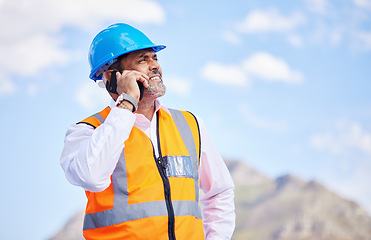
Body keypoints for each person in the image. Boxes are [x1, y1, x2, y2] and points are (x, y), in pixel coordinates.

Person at [60, 23, 235, 240]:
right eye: (143, 59)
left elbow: (219, 193)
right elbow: (91, 177)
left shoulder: (190, 124)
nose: (154, 66)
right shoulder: (86, 131)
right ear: (112, 77)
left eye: (155, 58)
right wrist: (126, 103)